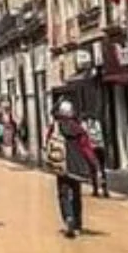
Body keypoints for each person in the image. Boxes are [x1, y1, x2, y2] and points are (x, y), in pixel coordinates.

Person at [43, 98, 98, 239]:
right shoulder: (78, 129)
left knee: (63, 193)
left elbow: (47, 142)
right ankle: (78, 224)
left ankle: (68, 218)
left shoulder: (54, 127)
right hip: (76, 165)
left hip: (61, 163)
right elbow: (86, 148)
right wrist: (93, 164)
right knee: (76, 194)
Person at [84, 113, 108, 198]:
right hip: (101, 147)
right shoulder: (99, 124)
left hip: (93, 148)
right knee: (102, 169)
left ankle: (96, 190)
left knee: (93, 169)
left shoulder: (86, 126)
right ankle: (105, 190)